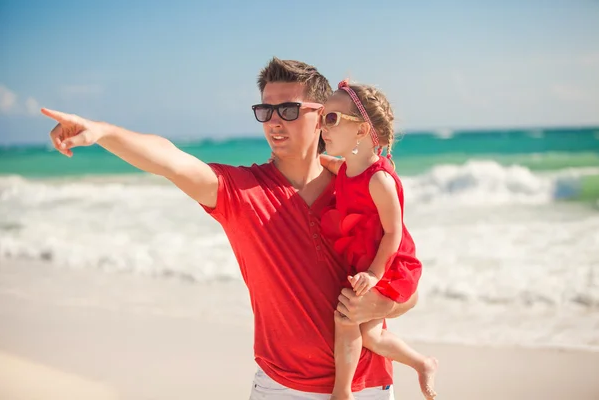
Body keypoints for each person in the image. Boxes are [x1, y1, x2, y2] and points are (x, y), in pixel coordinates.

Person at [41, 57, 418, 399]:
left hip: (368, 389)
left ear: (323, 116)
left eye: (287, 109)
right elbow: (171, 160)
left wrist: (384, 303)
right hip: (280, 390)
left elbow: (408, 283)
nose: (274, 121)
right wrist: (103, 132)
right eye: (265, 110)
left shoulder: (361, 188)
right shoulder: (240, 192)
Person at [318, 80, 438, 400]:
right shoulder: (347, 167)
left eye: (331, 119)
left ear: (360, 132)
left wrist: (374, 273)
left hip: (388, 262)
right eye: (321, 118)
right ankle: (422, 363)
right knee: (369, 335)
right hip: (365, 256)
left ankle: (342, 391)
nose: (322, 126)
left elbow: (393, 232)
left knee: (346, 318)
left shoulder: (379, 180)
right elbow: (334, 166)